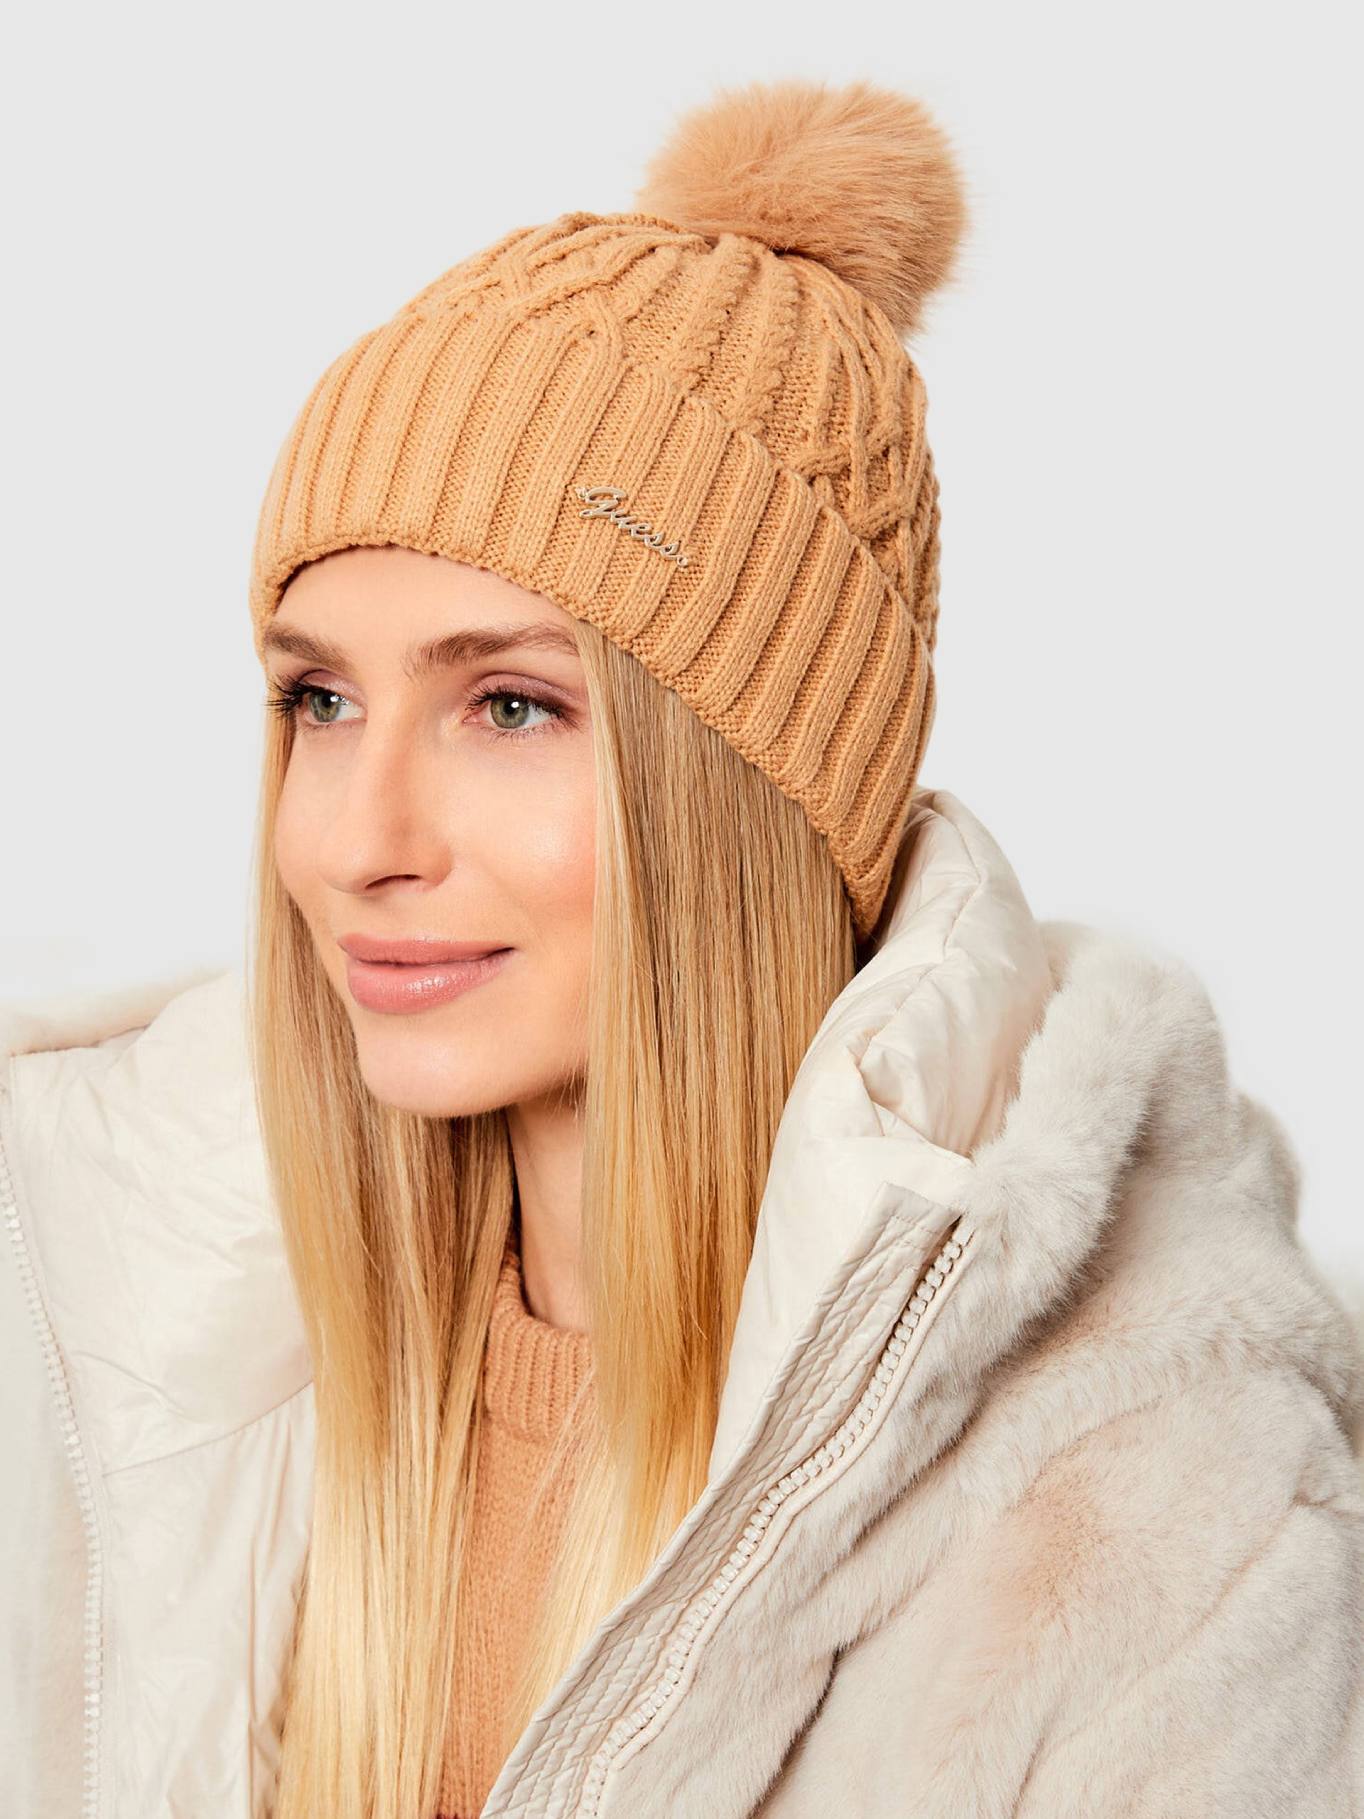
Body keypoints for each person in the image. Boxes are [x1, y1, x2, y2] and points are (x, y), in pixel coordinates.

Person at [2, 74, 1361, 1819]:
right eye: (319, 699)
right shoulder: (119, 1324)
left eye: (510, 705)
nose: (354, 842)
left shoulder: (1156, 1524)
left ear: (745, 789)